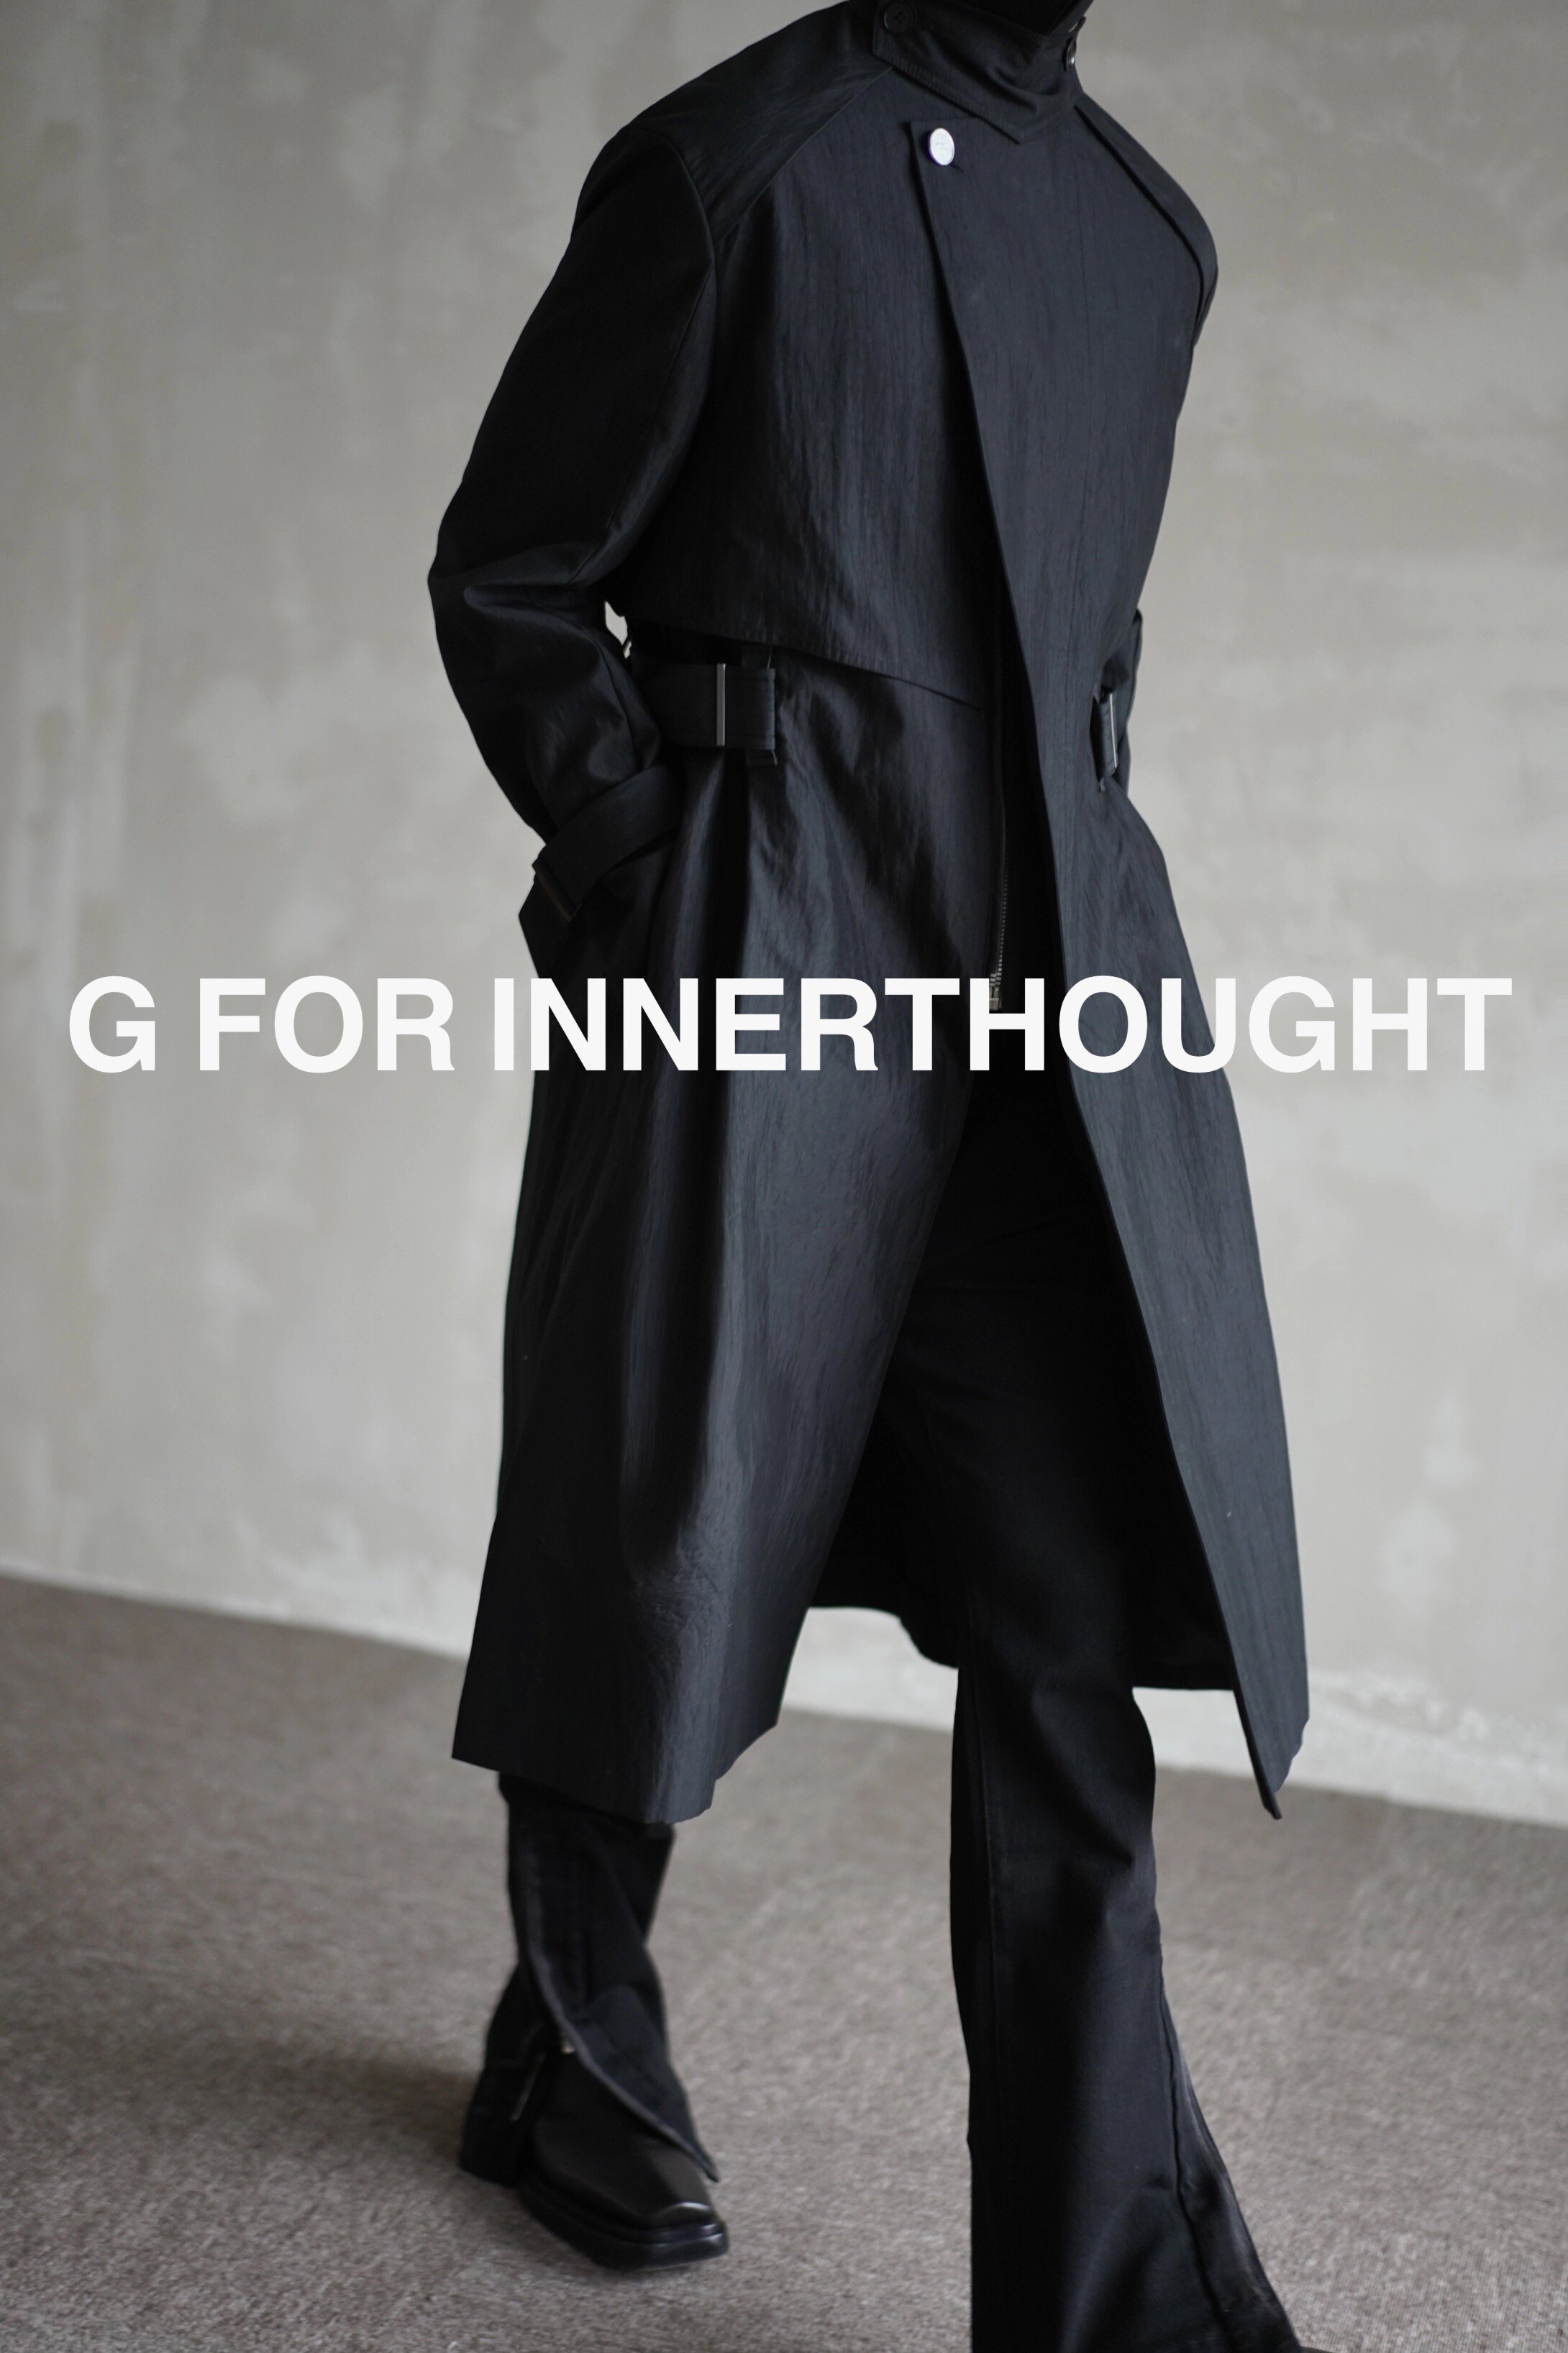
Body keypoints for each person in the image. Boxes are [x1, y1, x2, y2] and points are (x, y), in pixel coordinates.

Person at [429, 3, 1312, 2344]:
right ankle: (575, 2040)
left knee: (1062, 1616)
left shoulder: (1144, 237)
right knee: (655, 1529)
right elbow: (515, 565)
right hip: (768, 958)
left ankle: (1108, 2291)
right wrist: (657, 869)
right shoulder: (742, 160)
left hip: (1046, 1032)